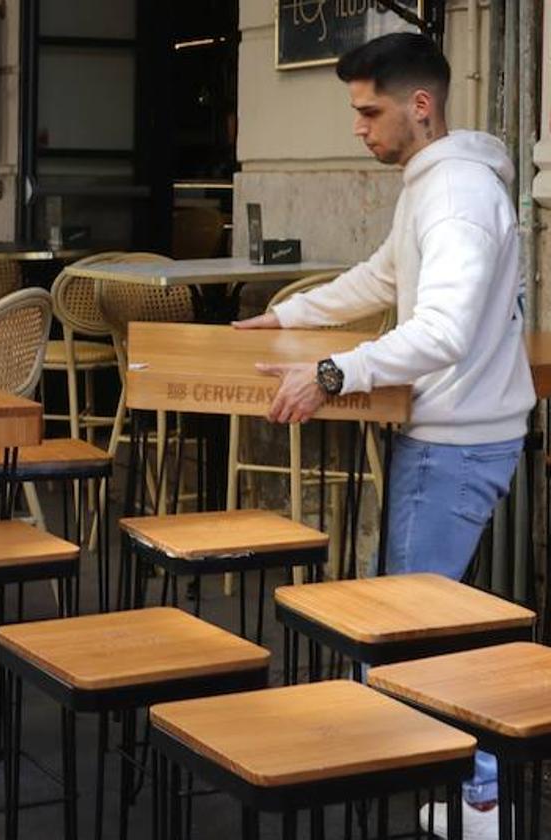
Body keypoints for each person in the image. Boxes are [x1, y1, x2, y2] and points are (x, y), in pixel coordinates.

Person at [234, 33, 533, 840]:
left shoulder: (459, 195)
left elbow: (440, 331)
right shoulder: (430, 187)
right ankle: (458, 791)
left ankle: (473, 797)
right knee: (405, 619)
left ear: (420, 105)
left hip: (456, 444)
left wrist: (332, 373)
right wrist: (289, 315)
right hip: (450, 436)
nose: (360, 128)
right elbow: (382, 279)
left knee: (406, 633)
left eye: (370, 111)